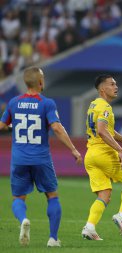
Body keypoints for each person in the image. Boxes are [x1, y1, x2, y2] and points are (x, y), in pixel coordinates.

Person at [0, 66, 83, 247]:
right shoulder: (47, 103)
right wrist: (73, 149)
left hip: (19, 159)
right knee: (52, 195)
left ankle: (23, 219)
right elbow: (56, 128)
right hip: (41, 158)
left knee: (18, 198)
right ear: (40, 82)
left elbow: (2, 125)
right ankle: (53, 239)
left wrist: (11, 125)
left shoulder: (14, 102)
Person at [81, 74, 122, 241]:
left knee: (104, 194)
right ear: (102, 89)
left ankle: (90, 227)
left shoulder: (93, 105)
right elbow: (101, 131)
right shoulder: (105, 107)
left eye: (116, 84)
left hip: (90, 156)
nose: (116, 87)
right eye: (112, 84)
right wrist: (120, 149)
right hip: (104, 153)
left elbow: (108, 130)